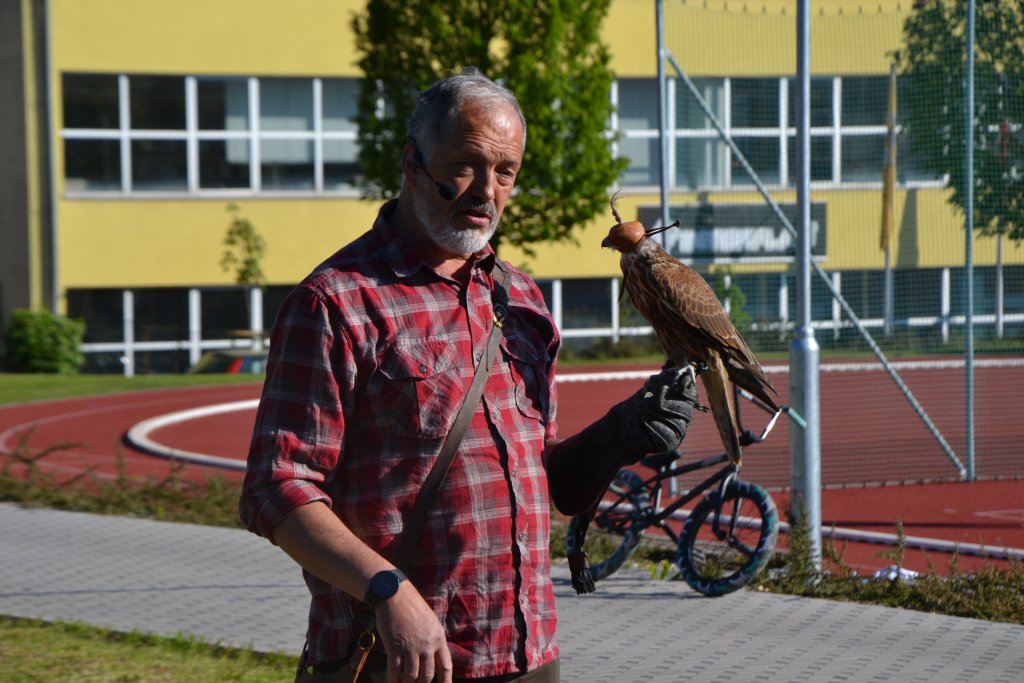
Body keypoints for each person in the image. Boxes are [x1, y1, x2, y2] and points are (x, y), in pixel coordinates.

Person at [239, 68, 697, 683]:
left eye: (505, 172)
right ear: (411, 162)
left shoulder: (522, 301)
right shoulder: (336, 302)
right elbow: (275, 488)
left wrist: (619, 435)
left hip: (527, 655)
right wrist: (387, 589)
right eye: (466, 165)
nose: (487, 190)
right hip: (399, 660)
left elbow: (546, 481)